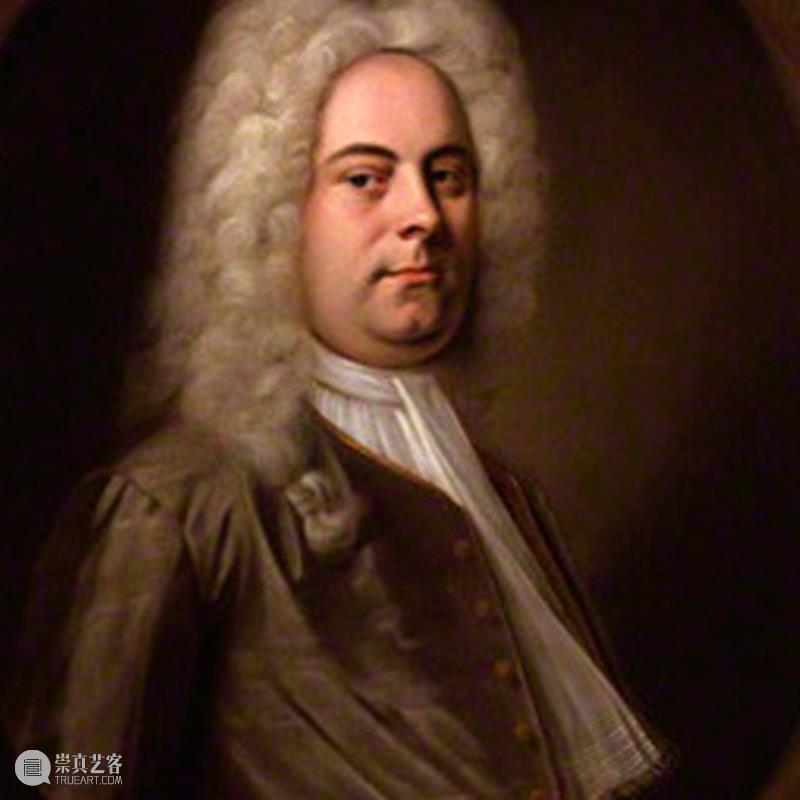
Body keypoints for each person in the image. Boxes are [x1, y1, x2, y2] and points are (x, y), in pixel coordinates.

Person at [4, 1, 667, 797]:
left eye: (448, 177)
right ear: (274, 213)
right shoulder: (174, 503)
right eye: (365, 178)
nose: (424, 217)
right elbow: (57, 772)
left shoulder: (504, 495)